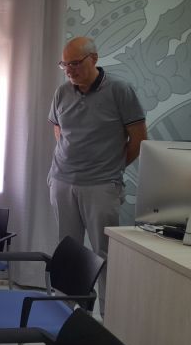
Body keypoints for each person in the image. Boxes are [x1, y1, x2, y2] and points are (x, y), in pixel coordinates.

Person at [48, 36, 147, 317]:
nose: (69, 70)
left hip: (102, 185)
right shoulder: (62, 92)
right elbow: (58, 129)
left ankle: (109, 315)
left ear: (94, 58)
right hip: (62, 181)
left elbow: (138, 138)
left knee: (105, 253)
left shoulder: (119, 90)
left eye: (75, 63)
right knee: (67, 249)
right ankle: (66, 313)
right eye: (64, 65)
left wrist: (112, 167)